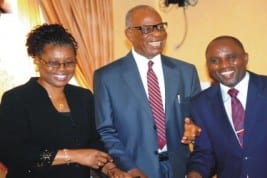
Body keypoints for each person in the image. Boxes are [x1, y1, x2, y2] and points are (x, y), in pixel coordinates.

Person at [0, 24, 132, 178]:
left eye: (69, 62)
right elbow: (14, 154)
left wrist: (111, 169)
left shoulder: (83, 97)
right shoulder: (17, 99)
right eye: (53, 63)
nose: (62, 69)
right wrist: (74, 156)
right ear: (37, 60)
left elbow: (94, 143)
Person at [93, 4, 201, 178]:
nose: (157, 34)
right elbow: (106, 130)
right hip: (135, 169)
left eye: (160, 27)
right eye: (147, 29)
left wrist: (196, 128)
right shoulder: (107, 77)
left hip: (180, 168)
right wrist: (129, 167)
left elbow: (198, 120)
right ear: (129, 34)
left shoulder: (186, 72)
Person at [187, 35, 267, 178]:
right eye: (215, 61)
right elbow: (204, 153)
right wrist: (195, 174)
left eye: (231, 57)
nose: (224, 65)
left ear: (245, 58)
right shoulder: (200, 104)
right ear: (208, 65)